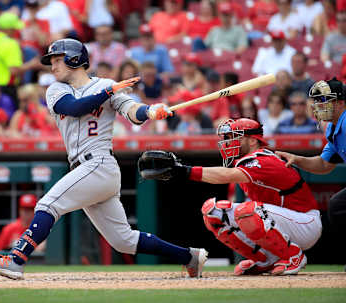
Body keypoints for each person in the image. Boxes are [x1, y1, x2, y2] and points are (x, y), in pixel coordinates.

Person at [0, 38, 208, 280]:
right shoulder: (57, 89)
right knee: (124, 241)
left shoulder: (107, 85)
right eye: (51, 62)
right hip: (87, 169)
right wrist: (108, 92)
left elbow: (132, 112)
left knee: (47, 205)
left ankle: (15, 259)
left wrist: (150, 110)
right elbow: (74, 107)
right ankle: (190, 256)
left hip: (99, 164)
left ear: (75, 59)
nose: (52, 67)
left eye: (57, 60)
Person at [138, 118, 321, 276]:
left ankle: (293, 256)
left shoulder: (263, 159)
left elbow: (225, 175)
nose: (228, 142)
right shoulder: (246, 160)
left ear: (251, 140)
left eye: (234, 137)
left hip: (305, 222)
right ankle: (266, 259)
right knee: (213, 211)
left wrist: (184, 171)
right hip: (283, 222)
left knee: (247, 211)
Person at [276, 78, 346, 268]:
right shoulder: (333, 127)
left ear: (340, 102)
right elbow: (324, 164)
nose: (319, 105)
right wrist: (296, 159)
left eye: (325, 100)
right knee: (338, 206)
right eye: (318, 100)